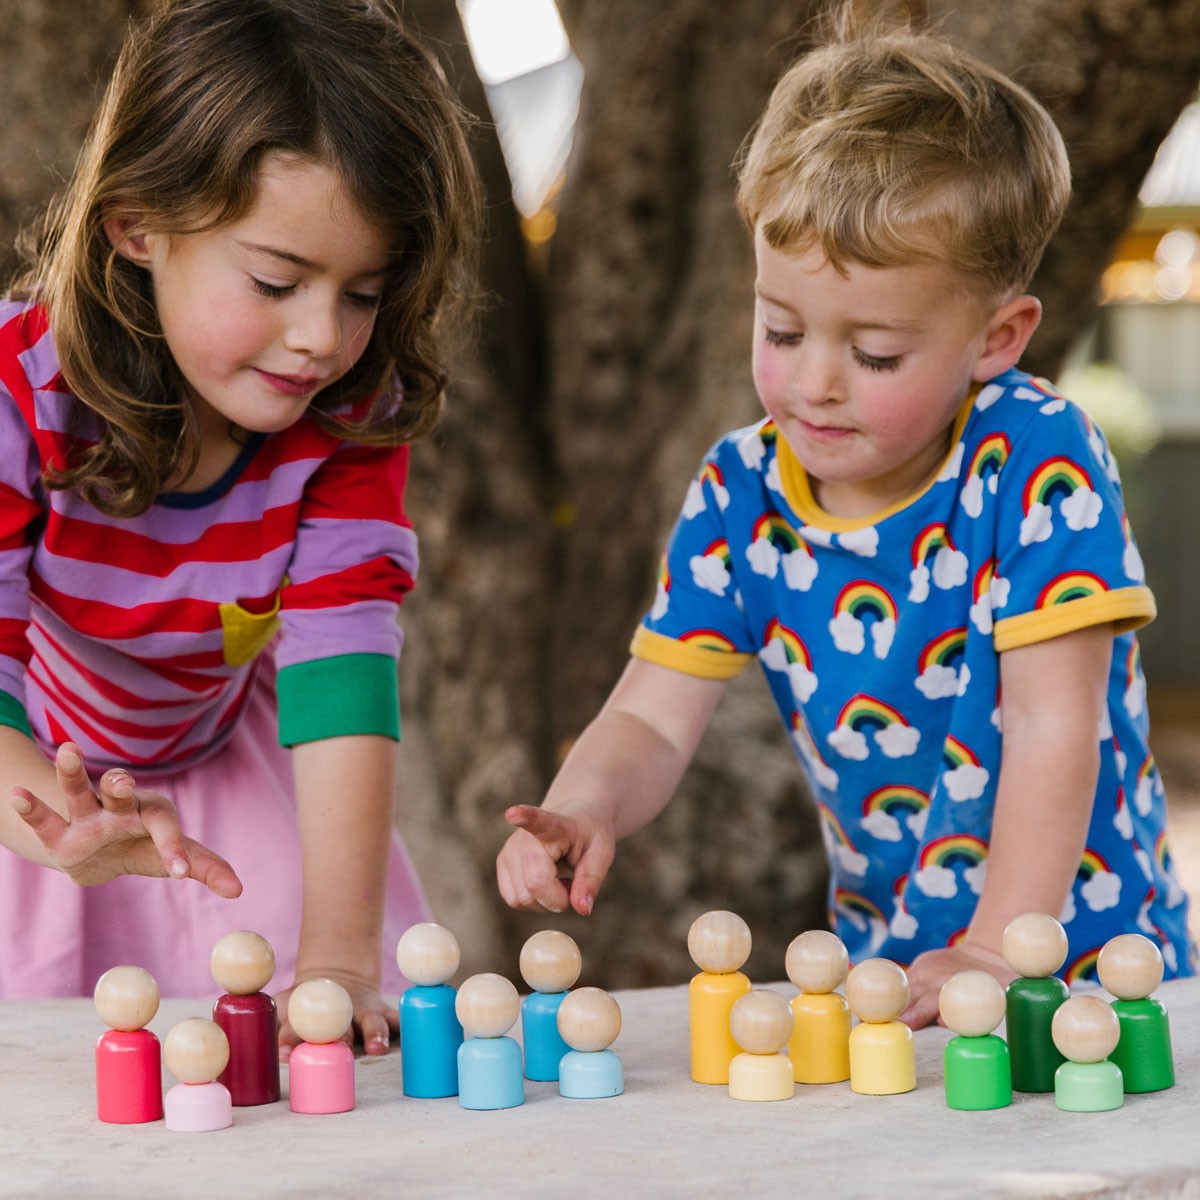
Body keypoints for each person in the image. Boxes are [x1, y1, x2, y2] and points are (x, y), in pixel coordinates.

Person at [496, 16, 1195, 1027]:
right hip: (898, 976)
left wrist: (1001, 952)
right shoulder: (741, 493)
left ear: (996, 338)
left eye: (873, 354)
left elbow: (1055, 723)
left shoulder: (1037, 458)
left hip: (1093, 978)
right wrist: (587, 805)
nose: (814, 384)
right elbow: (651, 713)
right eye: (781, 330)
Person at [0, 0, 480, 1058]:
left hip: (240, 755)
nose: (322, 340)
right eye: (276, 281)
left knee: (315, 1035)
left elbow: (341, 671)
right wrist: (52, 817)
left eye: (363, 293)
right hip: (34, 762)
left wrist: (342, 963)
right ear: (139, 226)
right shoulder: (20, 390)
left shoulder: (348, 417)